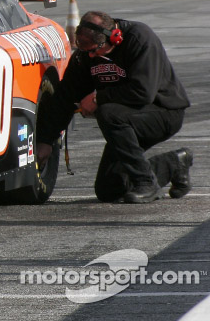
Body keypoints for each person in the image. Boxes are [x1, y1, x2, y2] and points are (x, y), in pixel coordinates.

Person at [36, 10, 192, 204]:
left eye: (95, 50)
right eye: (86, 51)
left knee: (108, 112)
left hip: (163, 112)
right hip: (124, 119)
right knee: (109, 189)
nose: (92, 55)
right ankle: (174, 163)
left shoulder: (140, 39)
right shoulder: (87, 55)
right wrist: (46, 140)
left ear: (115, 37)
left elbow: (143, 92)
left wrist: (97, 98)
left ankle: (146, 183)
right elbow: (65, 96)